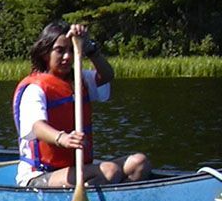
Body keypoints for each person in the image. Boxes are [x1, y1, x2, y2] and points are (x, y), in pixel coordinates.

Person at [13, 22, 148, 187]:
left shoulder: (79, 80)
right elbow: (37, 127)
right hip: (41, 175)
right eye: (60, 50)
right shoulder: (34, 89)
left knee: (139, 163)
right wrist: (62, 138)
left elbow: (106, 75)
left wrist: (89, 48)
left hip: (77, 168)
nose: (67, 56)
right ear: (45, 53)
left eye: (71, 50)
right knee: (110, 170)